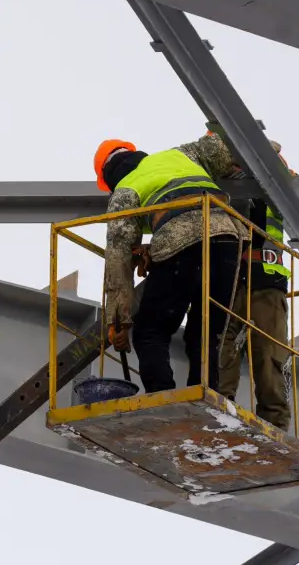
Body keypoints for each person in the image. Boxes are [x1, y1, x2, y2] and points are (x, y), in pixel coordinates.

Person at [96, 135, 244, 394]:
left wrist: (119, 321)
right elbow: (221, 147)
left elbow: (118, 258)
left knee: (150, 331)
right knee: (206, 331)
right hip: (228, 239)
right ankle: (205, 394)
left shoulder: (125, 189)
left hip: (181, 244)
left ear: (108, 177)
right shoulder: (180, 154)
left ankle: (162, 396)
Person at [217, 142, 299, 431]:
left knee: (269, 355)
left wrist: (287, 180)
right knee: (222, 345)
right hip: (231, 279)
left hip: (267, 281)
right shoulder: (227, 185)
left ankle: (275, 423)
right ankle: (217, 405)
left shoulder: (276, 189)